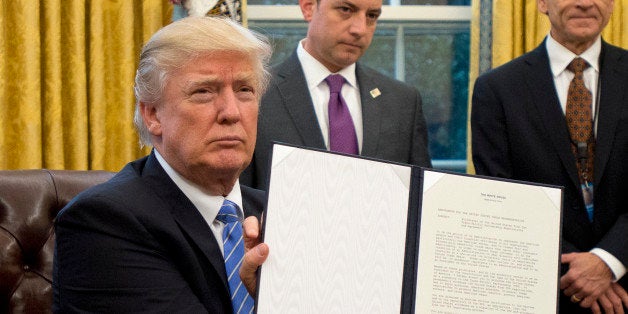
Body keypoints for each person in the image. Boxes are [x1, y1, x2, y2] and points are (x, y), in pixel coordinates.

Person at [53, 16, 271, 313]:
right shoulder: (103, 222)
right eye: (204, 91)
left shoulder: (279, 216)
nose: (231, 113)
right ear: (153, 115)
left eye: (245, 90)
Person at [471, 0, 628, 313]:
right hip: (540, 291)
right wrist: (579, 272)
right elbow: (500, 199)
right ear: (542, 3)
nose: (585, 2)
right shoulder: (497, 90)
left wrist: (608, 261)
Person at [240, 0, 432, 189]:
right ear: (308, 7)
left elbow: (421, 201)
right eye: (346, 9)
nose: (360, 29)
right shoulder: (256, 94)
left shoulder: (402, 102)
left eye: (371, 16)